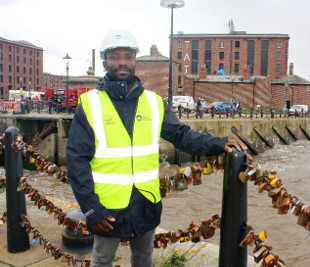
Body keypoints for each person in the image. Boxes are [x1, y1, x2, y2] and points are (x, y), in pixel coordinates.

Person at [66, 27, 250, 267]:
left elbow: (182, 136)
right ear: (104, 62)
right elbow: (76, 160)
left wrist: (220, 143)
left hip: (145, 202)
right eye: (115, 57)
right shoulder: (89, 104)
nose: (122, 63)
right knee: (102, 259)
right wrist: (91, 209)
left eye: (128, 57)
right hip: (106, 206)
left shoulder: (153, 102)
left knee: (143, 258)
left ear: (135, 61)